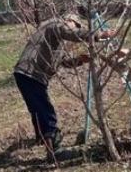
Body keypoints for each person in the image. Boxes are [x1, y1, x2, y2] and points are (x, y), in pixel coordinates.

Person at [13, 13, 115, 155]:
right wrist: (98, 35)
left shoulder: (55, 38)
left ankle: (42, 138)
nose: (75, 29)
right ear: (69, 20)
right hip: (31, 73)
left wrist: (80, 60)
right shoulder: (54, 24)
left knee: (38, 109)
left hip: (28, 75)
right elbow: (68, 31)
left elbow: (63, 62)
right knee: (46, 112)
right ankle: (54, 150)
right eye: (76, 25)